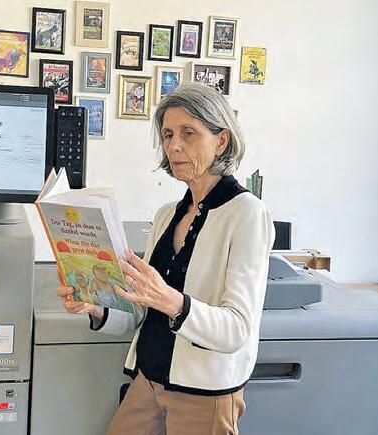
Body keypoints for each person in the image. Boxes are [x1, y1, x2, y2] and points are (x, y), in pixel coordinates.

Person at [56, 82, 275, 434]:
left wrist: (171, 300)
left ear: (221, 141)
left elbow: (236, 329)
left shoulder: (247, 214)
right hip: (149, 378)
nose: (174, 145)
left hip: (204, 392)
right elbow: (140, 311)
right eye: (168, 134)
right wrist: (96, 307)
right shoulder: (166, 215)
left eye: (189, 133)